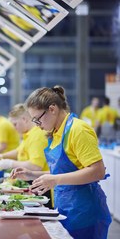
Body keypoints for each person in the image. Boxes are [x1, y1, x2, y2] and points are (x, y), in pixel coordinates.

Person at [11, 86, 111, 238]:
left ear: (52, 109)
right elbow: (64, 171)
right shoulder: (56, 132)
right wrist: (32, 174)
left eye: (38, 119)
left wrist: (55, 179)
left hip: (85, 212)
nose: (37, 124)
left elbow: (98, 171)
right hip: (65, 208)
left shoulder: (78, 130)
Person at [0, 104, 49, 172]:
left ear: (24, 119)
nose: (14, 128)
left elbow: (36, 166)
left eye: (15, 124)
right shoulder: (29, 134)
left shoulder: (37, 137)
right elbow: (19, 151)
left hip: (38, 180)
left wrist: (11, 163)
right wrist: (1, 156)